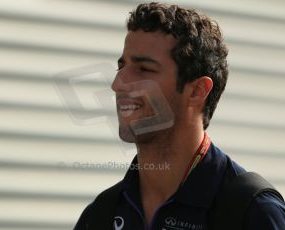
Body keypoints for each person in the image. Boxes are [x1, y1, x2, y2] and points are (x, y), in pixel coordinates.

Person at [74, 2, 285, 229]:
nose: (117, 84)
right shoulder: (101, 214)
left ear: (196, 91)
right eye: (121, 66)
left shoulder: (253, 212)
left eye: (144, 69)